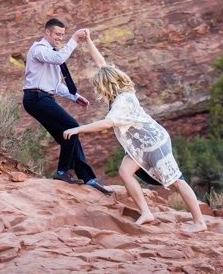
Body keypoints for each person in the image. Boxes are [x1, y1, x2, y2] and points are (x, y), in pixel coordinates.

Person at [63, 31, 207, 230]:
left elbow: (106, 124)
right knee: (124, 171)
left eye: (99, 87)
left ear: (106, 86)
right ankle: (146, 213)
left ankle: (199, 222)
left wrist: (78, 129)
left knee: (176, 181)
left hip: (153, 143)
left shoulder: (123, 102)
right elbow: (101, 62)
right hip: (141, 144)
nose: (99, 91)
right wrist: (88, 40)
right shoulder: (121, 90)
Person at [22, 17, 112, 194]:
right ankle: (62, 172)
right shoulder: (39, 49)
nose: (60, 38)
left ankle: (88, 178)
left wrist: (74, 96)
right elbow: (58, 59)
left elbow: (54, 84)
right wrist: (75, 39)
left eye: (63, 35)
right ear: (47, 32)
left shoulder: (51, 51)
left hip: (43, 97)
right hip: (36, 98)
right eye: (57, 34)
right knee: (72, 127)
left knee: (69, 135)